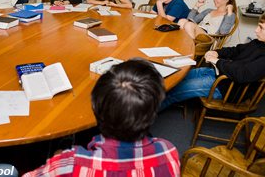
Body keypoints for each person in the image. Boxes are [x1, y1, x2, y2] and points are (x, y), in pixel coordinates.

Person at [23, 59, 180, 176]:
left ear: (95, 107)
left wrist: (59, 157)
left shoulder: (69, 164)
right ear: (153, 112)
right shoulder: (168, 152)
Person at [161, 13, 265, 110]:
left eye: (261, 28)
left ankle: (146, 115)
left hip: (227, 88)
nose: (256, 30)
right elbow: (235, 50)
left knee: (174, 91)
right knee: (177, 76)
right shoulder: (257, 43)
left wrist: (217, 61)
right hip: (220, 75)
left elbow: (242, 74)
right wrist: (216, 52)